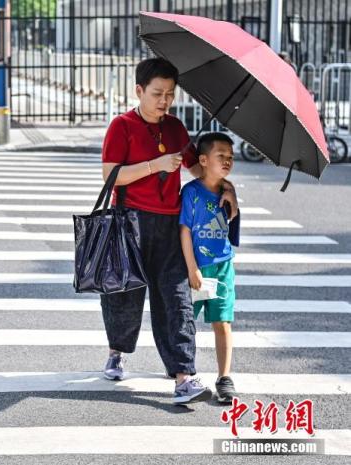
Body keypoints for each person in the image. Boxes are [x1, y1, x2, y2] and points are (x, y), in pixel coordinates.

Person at [100, 57, 238, 405]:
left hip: (169, 223)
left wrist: (225, 186)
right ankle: (117, 350)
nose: (164, 101)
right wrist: (154, 165)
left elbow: (196, 168)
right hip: (129, 218)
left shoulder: (176, 128)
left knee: (175, 300)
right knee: (125, 295)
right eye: (157, 93)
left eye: (170, 94)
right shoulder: (122, 126)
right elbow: (110, 175)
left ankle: (183, 375)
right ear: (139, 91)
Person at [179, 132, 239, 405]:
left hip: (223, 267)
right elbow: (185, 231)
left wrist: (232, 194)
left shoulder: (228, 192)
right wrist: (192, 268)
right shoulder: (191, 192)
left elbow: (232, 226)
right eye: (221, 156)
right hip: (197, 269)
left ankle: (224, 377)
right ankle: (183, 368)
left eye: (230, 157)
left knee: (223, 322)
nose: (227, 160)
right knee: (185, 322)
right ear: (203, 159)